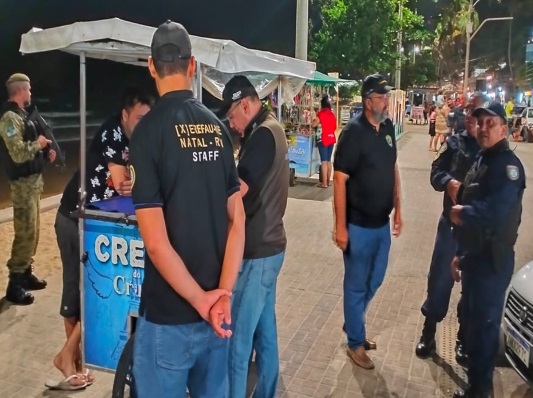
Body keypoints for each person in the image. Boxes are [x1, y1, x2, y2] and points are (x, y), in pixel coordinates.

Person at [129, 21, 245, 397]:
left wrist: (200, 301)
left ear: (151, 66)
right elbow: (237, 220)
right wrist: (222, 295)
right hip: (217, 317)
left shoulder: (147, 133)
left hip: (169, 317)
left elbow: (157, 243)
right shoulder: (218, 128)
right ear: (192, 66)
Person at [46, 88, 152, 391]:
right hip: (73, 217)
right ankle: (70, 362)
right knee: (76, 291)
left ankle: (71, 359)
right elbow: (122, 184)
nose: (144, 124)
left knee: (92, 290)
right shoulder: (112, 133)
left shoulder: (136, 137)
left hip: (95, 220)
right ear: (125, 115)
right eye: (139, 118)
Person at [217, 75, 289, 398]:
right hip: (272, 248)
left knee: (237, 343)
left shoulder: (262, 136)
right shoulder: (271, 127)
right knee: (266, 336)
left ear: (245, 104)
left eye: (232, 115)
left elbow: (238, 191)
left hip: (258, 251)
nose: (231, 124)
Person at [450, 101, 525, 398]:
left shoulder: (508, 168)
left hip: (492, 262)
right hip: (474, 256)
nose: (483, 128)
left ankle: (481, 392)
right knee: (471, 326)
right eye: (480, 123)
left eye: (490, 123)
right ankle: (476, 389)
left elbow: (496, 212)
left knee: (483, 330)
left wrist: (463, 213)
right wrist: (460, 253)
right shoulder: (484, 159)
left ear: (504, 129)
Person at [333, 73, 402, 370]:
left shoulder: (388, 128)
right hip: (358, 226)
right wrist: (339, 226)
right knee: (356, 285)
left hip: (382, 224)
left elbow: (393, 168)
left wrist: (399, 208)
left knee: (376, 278)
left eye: (387, 97)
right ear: (367, 101)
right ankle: (355, 343)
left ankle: (354, 325)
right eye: (381, 97)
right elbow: (338, 180)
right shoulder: (352, 132)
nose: (386, 102)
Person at [415, 103, 480, 365]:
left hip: (477, 231)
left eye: (478, 114)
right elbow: (435, 172)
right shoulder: (454, 144)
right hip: (451, 226)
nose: (473, 119)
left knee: (472, 288)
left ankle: (463, 340)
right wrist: (447, 182)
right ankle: (428, 333)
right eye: (470, 113)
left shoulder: (493, 151)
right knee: (440, 280)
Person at [0, 73, 54, 305]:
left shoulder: (23, 116)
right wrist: (38, 144)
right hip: (22, 187)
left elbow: (30, 149)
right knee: (24, 235)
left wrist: (45, 153)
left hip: (33, 185)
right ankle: (14, 285)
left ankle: (25, 274)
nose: (31, 94)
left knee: (34, 234)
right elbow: (18, 152)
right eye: (29, 90)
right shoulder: (9, 119)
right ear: (20, 91)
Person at [312, 95, 337, 188]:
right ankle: (328, 181)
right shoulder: (332, 114)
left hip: (323, 139)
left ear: (322, 105)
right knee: (328, 161)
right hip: (331, 138)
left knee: (324, 161)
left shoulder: (321, 114)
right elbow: (335, 127)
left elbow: (314, 124)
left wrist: (313, 118)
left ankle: (324, 183)